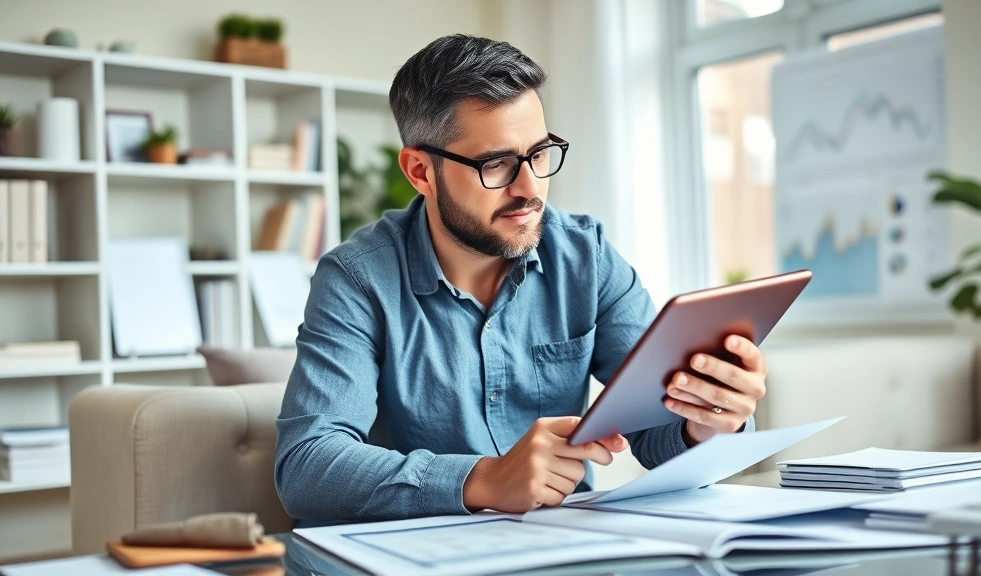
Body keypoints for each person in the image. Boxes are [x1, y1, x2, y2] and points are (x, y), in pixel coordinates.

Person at [275, 34, 767, 523]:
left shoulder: (586, 257)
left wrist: (709, 421)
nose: (530, 188)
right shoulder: (357, 279)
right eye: (497, 164)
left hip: (565, 547)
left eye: (539, 153)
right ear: (421, 171)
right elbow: (306, 467)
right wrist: (484, 479)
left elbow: (657, 434)